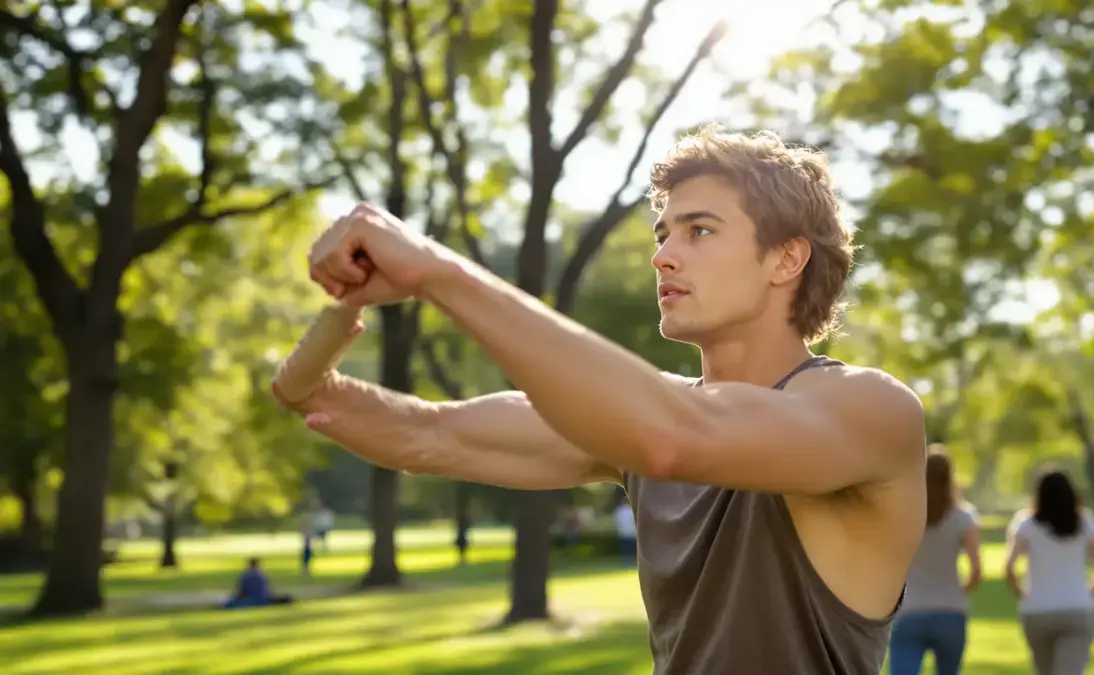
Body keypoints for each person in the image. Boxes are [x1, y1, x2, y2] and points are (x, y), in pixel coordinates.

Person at [272, 126, 928, 673]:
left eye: (698, 231)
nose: (663, 256)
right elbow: (430, 434)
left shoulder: (869, 411)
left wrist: (435, 273)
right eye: (662, 233)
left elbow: (673, 438)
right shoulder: (640, 420)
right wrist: (326, 344)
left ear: (785, 259)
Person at [888, 447, 982, 675]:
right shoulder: (963, 517)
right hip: (950, 611)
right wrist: (961, 591)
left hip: (909, 611)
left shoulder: (904, 513)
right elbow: (976, 569)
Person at [1004, 470, 1094, 675]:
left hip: (1037, 609)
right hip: (1076, 608)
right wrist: (1088, 590)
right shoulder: (1084, 523)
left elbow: (1009, 568)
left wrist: (1022, 593)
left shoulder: (1026, 524)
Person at [223, 557, 293, 608]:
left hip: (250, 599)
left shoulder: (244, 576)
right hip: (263, 599)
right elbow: (266, 590)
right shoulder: (262, 575)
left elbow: (242, 592)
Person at [613, 498, 636, 566]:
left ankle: (625, 561)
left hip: (623, 531)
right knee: (630, 547)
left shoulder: (618, 510)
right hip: (631, 531)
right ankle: (629, 560)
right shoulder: (630, 510)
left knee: (625, 547)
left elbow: (616, 521)